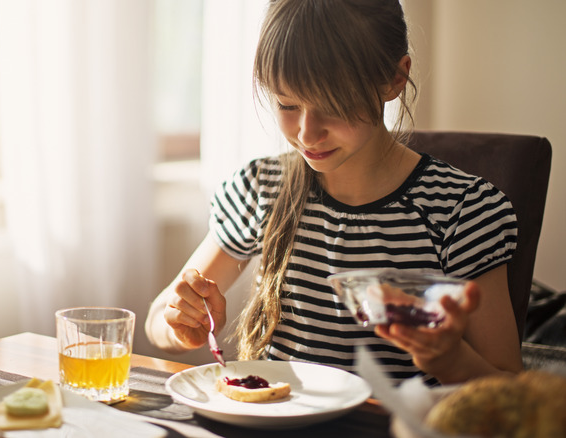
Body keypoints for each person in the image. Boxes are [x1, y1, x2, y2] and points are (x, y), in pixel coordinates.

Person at [145, 0, 523, 385]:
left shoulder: (462, 211)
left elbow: (509, 386)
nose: (307, 134)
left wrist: (451, 360)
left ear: (395, 79)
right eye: (287, 104)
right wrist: (182, 324)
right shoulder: (261, 188)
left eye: (334, 105)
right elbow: (158, 318)